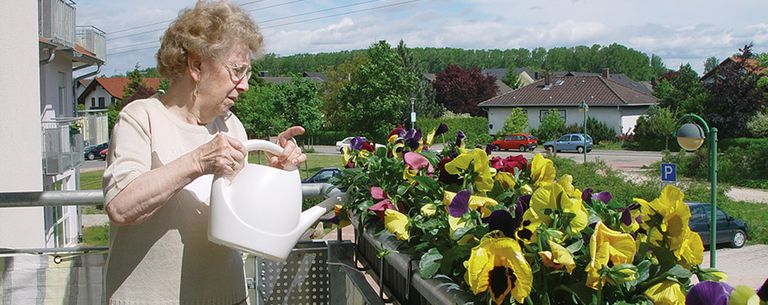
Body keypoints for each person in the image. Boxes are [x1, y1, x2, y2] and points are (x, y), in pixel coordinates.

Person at [101, 1, 306, 304]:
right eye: (238, 71)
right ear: (197, 66)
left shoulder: (232, 126)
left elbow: (245, 222)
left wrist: (274, 178)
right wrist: (198, 160)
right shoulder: (141, 117)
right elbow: (120, 207)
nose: (245, 86)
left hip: (227, 296)